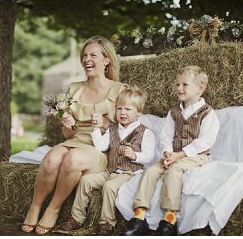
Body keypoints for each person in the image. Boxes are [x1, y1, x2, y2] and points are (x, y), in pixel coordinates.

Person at [21, 36, 128, 234]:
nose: (87, 59)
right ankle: (35, 206)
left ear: (106, 60)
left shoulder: (120, 90)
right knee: (52, 158)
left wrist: (106, 123)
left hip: (102, 147)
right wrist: (68, 124)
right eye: (84, 55)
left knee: (72, 159)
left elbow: (129, 127)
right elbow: (69, 134)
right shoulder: (74, 88)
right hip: (77, 140)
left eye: (93, 55)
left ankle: (54, 208)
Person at [124, 66, 220, 236]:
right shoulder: (174, 112)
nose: (179, 88)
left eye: (184, 84)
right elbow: (166, 136)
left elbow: (205, 141)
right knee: (151, 171)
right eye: (177, 84)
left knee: (174, 172)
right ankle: (139, 217)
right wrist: (168, 153)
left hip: (196, 157)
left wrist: (180, 155)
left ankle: (170, 220)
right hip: (174, 155)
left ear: (200, 88)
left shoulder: (207, 113)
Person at [55, 86, 156, 235]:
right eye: (119, 108)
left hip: (129, 173)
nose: (122, 113)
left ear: (139, 112)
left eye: (128, 109)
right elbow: (102, 146)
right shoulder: (113, 129)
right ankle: (76, 218)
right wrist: (95, 129)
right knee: (85, 180)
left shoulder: (145, 132)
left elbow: (149, 156)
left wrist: (135, 155)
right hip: (110, 170)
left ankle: (106, 223)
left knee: (109, 187)